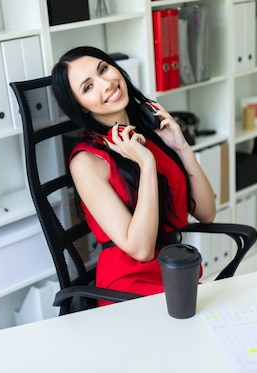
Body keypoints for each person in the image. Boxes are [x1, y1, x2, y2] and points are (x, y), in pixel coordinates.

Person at [51, 46, 216, 305]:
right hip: (128, 285)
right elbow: (140, 249)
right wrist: (146, 164)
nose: (106, 84)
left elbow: (207, 212)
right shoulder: (87, 162)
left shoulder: (151, 132)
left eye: (104, 69)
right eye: (88, 87)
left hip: (174, 270)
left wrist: (181, 148)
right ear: (80, 107)